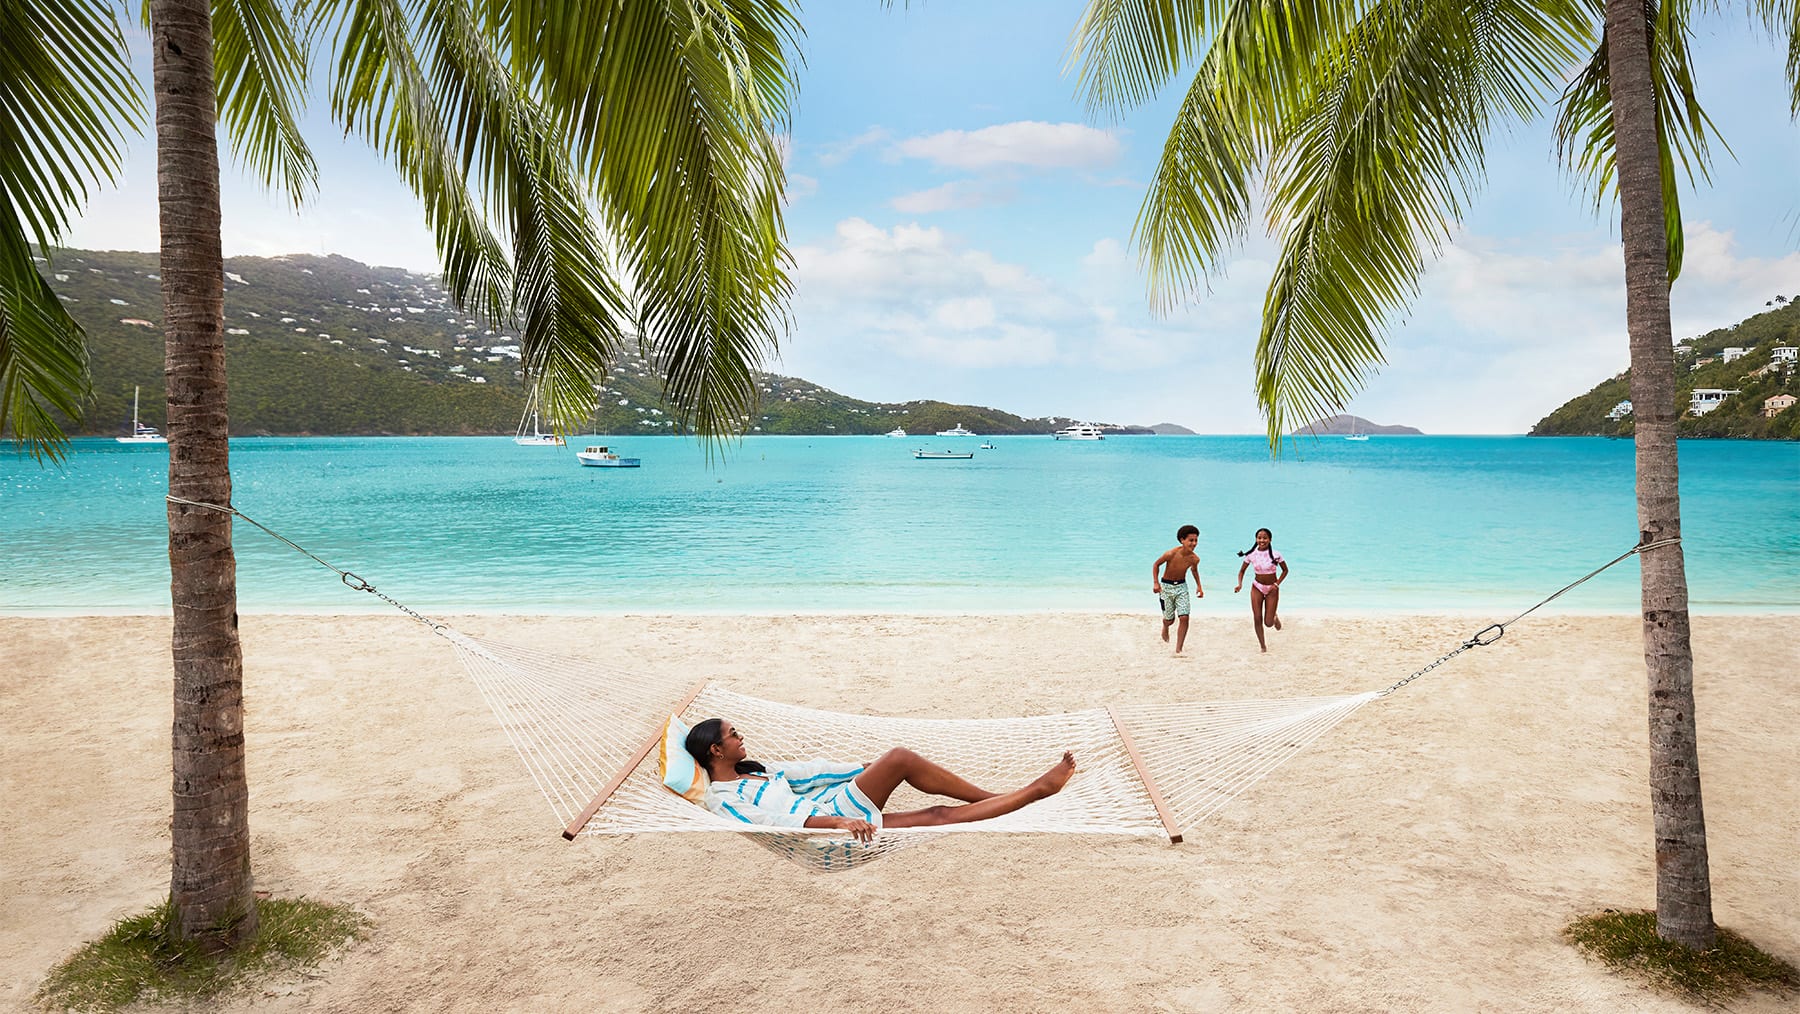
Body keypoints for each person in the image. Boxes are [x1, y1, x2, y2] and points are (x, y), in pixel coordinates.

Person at [685, 718, 1077, 842]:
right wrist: (839, 822)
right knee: (903, 761)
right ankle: (1026, 792)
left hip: (835, 810)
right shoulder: (722, 799)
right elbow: (774, 824)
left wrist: (862, 769)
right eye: (733, 735)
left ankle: (1027, 794)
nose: (741, 738)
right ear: (716, 751)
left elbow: (811, 772)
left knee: (938, 813)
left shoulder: (758, 770)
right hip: (829, 829)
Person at [1233, 527, 1289, 652]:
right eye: (1259, 538)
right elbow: (1242, 571)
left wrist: (1277, 584)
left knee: (1268, 623)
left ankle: (1273, 617)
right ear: (1256, 539)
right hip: (1257, 587)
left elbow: (1285, 570)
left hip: (1272, 589)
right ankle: (1263, 646)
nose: (1262, 540)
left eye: (1265, 538)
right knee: (1257, 617)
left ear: (1270, 539)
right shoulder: (1251, 554)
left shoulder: (1276, 554)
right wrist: (1240, 584)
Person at [1151, 524, 1204, 653]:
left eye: (1196, 540)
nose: (1194, 543)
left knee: (1184, 617)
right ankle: (1165, 626)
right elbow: (1156, 564)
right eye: (1191, 540)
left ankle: (1178, 649)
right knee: (1170, 620)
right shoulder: (1171, 554)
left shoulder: (1194, 559)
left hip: (1181, 587)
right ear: (1182, 540)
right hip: (1166, 587)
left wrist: (1199, 586)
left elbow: (1194, 571)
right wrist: (1156, 583)